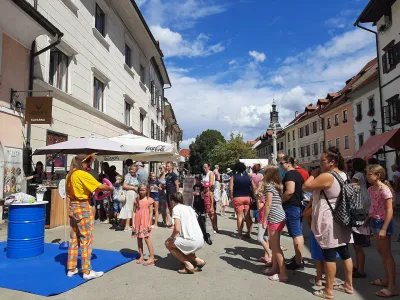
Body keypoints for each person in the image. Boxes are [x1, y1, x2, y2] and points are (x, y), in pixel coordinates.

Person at [303, 146, 354, 299]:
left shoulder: (328, 176)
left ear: (332, 162)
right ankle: (348, 285)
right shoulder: (343, 174)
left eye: (322, 160)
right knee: (345, 252)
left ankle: (328, 291)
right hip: (342, 217)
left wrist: (312, 175)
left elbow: (305, 187)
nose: (320, 163)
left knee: (329, 255)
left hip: (329, 220)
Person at [66, 154, 114, 280]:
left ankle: (71, 269)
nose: (89, 165)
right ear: (82, 162)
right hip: (83, 207)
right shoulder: (82, 174)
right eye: (88, 162)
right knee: (86, 239)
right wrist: (110, 187)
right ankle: (87, 271)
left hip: (72, 207)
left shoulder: (69, 175)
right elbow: (98, 186)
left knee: (74, 239)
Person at [367, 164, 398, 298]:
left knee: (387, 254)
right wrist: (368, 218)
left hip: (383, 223)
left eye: (370, 174)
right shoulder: (371, 189)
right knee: (381, 252)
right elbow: (373, 205)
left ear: (378, 175)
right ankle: (387, 280)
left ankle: (392, 287)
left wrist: (384, 229)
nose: (368, 177)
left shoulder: (384, 190)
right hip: (375, 221)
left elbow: (390, 210)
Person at [258, 165, 287, 282]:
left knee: (275, 248)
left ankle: (283, 274)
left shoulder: (269, 187)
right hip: (280, 216)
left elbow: (268, 204)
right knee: (275, 247)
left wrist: (264, 220)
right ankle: (275, 268)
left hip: (274, 217)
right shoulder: (277, 186)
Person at [165, 193, 206, 274]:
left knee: (168, 243)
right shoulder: (189, 208)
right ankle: (199, 261)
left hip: (192, 241)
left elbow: (177, 228)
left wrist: (171, 237)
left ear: (172, 201)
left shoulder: (176, 208)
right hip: (200, 240)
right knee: (181, 244)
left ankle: (188, 265)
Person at [280, 155, 305, 270]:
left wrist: (280, 201)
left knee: (296, 234)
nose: (281, 165)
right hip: (297, 205)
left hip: (292, 206)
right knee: (298, 233)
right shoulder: (297, 174)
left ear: (288, 163)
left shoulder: (290, 174)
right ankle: (299, 258)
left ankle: (299, 262)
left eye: (282, 163)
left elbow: (290, 191)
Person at [351, 158, 371, 278]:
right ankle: (358, 267)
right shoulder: (362, 174)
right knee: (356, 244)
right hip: (362, 204)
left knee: (357, 244)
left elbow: (351, 187)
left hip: (359, 206)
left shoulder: (357, 174)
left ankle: (361, 269)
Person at [132, 184, 155, 266]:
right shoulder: (136, 200)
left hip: (145, 221)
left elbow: (151, 212)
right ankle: (141, 255)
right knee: (138, 239)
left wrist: (149, 223)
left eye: (143, 190)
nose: (142, 192)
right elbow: (134, 212)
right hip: (138, 221)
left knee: (146, 238)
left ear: (147, 191)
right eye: (140, 190)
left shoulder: (150, 200)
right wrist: (133, 223)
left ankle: (152, 257)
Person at [230, 161, 252, 239]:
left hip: (238, 197)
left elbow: (230, 189)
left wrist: (231, 197)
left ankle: (239, 233)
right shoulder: (248, 176)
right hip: (247, 197)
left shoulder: (234, 177)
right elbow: (252, 187)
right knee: (248, 216)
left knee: (239, 216)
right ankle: (249, 232)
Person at [120, 165, 139, 232]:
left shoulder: (135, 176)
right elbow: (124, 186)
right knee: (129, 209)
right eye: (131, 169)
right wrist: (133, 188)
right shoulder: (128, 176)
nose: (132, 171)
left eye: (133, 169)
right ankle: (126, 226)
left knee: (131, 208)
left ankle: (123, 224)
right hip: (129, 194)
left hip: (133, 194)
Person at [203, 163, 218, 232]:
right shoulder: (205, 174)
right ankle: (213, 226)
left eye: (206, 167)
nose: (204, 168)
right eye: (203, 167)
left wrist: (207, 191)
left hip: (210, 193)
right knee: (208, 211)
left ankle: (215, 227)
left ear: (209, 167)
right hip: (206, 193)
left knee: (212, 211)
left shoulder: (211, 173)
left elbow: (211, 184)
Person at [165, 161, 179, 228]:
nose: (167, 167)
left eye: (168, 166)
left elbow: (176, 184)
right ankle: (172, 222)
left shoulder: (174, 175)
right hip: (167, 192)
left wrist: (177, 193)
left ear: (172, 167)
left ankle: (174, 224)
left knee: (174, 208)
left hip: (172, 192)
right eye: (166, 166)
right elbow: (167, 184)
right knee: (170, 208)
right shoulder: (166, 175)